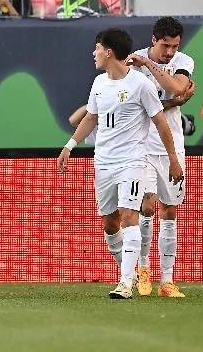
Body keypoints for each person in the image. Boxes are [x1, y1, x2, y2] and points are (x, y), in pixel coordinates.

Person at [57, 27, 181, 299]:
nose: (94, 53)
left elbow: (161, 123)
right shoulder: (99, 83)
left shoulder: (141, 84)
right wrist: (70, 145)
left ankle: (125, 283)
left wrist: (173, 159)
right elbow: (91, 117)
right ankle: (129, 272)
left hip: (132, 161)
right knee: (110, 224)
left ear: (108, 51)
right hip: (103, 163)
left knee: (129, 217)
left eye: (97, 48)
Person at [126, 17, 196, 299]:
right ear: (154, 39)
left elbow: (178, 86)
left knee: (170, 210)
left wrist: (151, 69)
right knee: (147, 206)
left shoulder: (184, 60)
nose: (169, 52)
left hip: (172, 145)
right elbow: (137, 103)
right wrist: (169, 102)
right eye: (165, 45)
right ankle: (143, 270)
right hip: (142, 144)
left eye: (174, 46)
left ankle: (167, 280)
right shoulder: (133, 61)